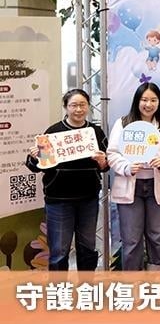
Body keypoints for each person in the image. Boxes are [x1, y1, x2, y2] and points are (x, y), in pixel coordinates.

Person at [25, 89, 109, 270]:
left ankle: (86, 285)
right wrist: (34, 157)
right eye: (73, 105)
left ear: (88, 106)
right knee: (59, 251)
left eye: (82, 105)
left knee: (87, 248)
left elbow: (105, 166)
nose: (78, 109)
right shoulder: (53, 133)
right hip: (59, 201)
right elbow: (37, 166)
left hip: (88, 199)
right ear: (65, 107)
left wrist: (103, 161)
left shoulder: (95, 132)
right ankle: (59, 287)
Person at [107, 83, 160, 271]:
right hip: (130, 186)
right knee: (132, 239)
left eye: (153, 100)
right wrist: (126, 167)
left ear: (159, 102)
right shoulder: (123, 123)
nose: (148, 104)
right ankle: (133, 283)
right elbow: (112, 153)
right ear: (137, 101)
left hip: (155, 185)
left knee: (156, 235)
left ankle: (156, 279)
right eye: (144, 100)